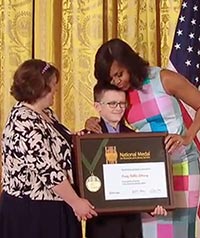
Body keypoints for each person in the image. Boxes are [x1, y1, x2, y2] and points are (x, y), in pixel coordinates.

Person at [85, 38, 200, 238]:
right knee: (151, 233)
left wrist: (187, 136)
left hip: (183, 165)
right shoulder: (121, 93)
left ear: (129, 62)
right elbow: (114, 123)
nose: (117, 82)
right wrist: (93, 121)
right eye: (111, 79)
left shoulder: (162, 78)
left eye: (119, 74)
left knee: (180, 232)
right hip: (150, 174)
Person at [0, 59, 97, 238]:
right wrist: (76, 202)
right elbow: (48, 170)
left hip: (54, 205)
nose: (56, 89)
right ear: (41, 88)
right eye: (53, 85)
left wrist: (87, 132)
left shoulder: (45, 113)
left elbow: (61, 145)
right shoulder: (24, 121)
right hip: (33, 213)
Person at [86, 81, 167, 238]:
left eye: (122, 103)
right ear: (97, 106)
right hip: (102, 223)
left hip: (132, 222)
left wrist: (154, 203)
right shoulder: (86, 140)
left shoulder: (136, 139)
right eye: (112, 103)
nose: (118, 108)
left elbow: (146, 176)